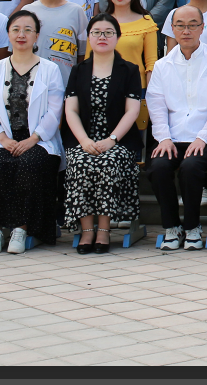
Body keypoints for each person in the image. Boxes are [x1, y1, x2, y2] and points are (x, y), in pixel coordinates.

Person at [0, 9, 65, 254]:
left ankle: (21, 229)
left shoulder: (50, 69)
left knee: (29, 164)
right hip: (2, 139)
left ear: (37, 36)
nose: (21, 35)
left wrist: (34, 138)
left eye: (27, 30)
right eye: (16, 30)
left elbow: (55, 111)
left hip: (39, 140)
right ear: (8, 34)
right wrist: (2, 138)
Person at [146, 5, 207, 251]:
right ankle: (172, 227)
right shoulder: (162, 65)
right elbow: (156, 105)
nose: (186, 31)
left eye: (193, 25)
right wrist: (163, 138)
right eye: (180, 25)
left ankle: (193, 227)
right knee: (158, 167)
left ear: (202, 28)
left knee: (191, 167)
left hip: (206, 138)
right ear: (172, 29)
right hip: (171, 137)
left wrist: (202, 138)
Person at [62, 14, 143, 255]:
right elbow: (71, 110)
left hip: (118, 140)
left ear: (117, 37)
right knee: (80, 161)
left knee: (107, 162)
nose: (102, 37)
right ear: (88, 37)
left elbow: (132, 111)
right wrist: (84, 140)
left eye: (108, 32)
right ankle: (87, 230)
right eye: (96, 32)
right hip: (84, 139)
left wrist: (111, 140)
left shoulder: (129, 70)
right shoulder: (78, 70)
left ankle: (104, 230)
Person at [23, 0, 88, 84]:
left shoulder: (76, 11)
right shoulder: (27, 11)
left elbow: (83, 54)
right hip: (32, 84)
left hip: (65, 83)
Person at [103, 0, 159, 101]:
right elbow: (89, 59)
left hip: (137, 87)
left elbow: (151, 63)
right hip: (104, 87)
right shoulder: (99, 22)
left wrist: (151, 96)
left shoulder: (146, 22)